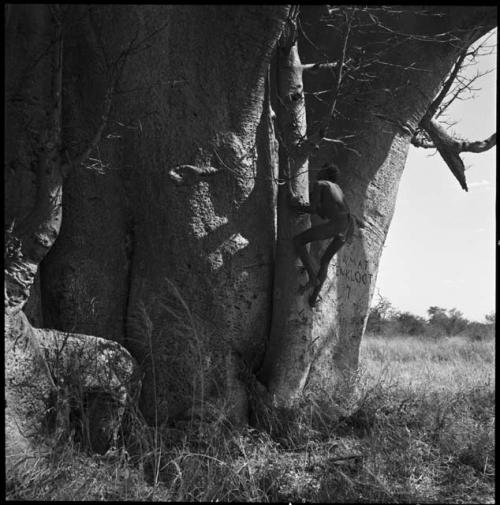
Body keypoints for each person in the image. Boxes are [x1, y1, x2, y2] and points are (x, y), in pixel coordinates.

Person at [290, 164, 364, 306]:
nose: (317, 173)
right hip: (348, 225)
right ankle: (313, 299)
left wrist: (296, 204)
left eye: (320, 170)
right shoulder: (337, 188)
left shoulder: (321, 184)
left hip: (339, 223)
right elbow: (325, 212)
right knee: (325, 261)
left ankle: (312, 276)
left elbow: (311, 209)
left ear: (324, 173)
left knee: (298, 241)